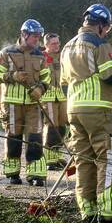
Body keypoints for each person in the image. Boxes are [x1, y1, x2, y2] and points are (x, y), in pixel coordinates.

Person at [60, 3, 112, 223]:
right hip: (97, 109)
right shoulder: (99, 43)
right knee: (108, 156)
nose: (107, 31)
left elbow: (64, 83)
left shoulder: (67, 47)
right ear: (101, 25)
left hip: (73, 109)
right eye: (107, 27)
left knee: (83, 159)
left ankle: (88, 211)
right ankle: (109, 212)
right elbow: (110, 75)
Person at [0, 19, 53, 186]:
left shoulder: (40, 56)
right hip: (11, 104)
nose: (37, 39)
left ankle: (36, 175)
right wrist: (12, 76)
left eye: (39, 36)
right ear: (24, 34)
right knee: (14, 138)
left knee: (35, 137)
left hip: (33, 104)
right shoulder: (6, 53)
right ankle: (13, 173)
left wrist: (41, 88)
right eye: (34, 36)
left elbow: (47, 77)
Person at [41, 33, 68, 169]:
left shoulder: (63, 56)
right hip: (48, 97)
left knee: (62, 128)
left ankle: (57, 156)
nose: (57, 46)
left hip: (62, 97)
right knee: (52, 128)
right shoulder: (41, 57)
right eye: (53, 43)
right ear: (46, 44)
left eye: (58, 43)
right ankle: (49, 159)